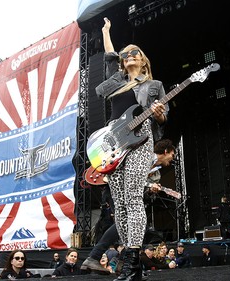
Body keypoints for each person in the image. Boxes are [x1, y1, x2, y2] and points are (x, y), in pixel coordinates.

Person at [93, 15, 169, 281]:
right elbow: (109, 56)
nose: (128, 56)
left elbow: (163, 117)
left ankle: (132, 260)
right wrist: (106, 31)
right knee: (120, 203)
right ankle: (132, 263)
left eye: (133, 53)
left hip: (141, 139)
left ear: (143, 58)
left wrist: (158, 113)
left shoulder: (154, 86)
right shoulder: (116, 81)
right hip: (115, 142)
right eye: (126, 55)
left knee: (133, 196)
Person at [81, 139, 176, 278]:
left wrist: (150, 189)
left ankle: (125, 265)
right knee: (125, 223)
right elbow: (128, 174)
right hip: (114, 186)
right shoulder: (145, 155)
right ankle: (95, 257)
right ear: (165, 151)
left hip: (126, 192)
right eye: (172, 155)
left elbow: (136, 187)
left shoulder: (156, 173)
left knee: (134, 226)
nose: (172, 160)